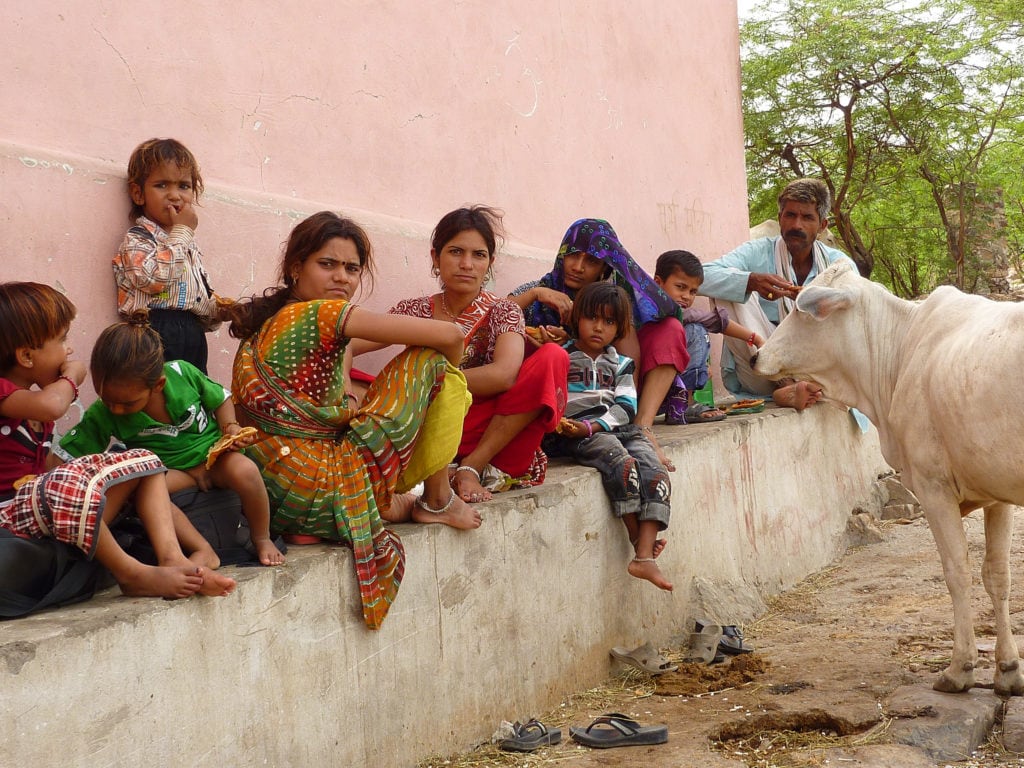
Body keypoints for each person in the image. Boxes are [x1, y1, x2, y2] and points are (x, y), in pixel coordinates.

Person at [220, 211, 475, 630]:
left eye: (351, 268)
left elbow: (372, 337)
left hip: (277, 498)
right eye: (328, 264)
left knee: (365, 388)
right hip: (318, 485)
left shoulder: (274, 320)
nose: (341, 277)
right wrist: (448, 383)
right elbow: (450, 337)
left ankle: (378, 507)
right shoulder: (321, 316)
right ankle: (437, 499)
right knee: (430, 363)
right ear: (295, 268)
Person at [0, 282, 235, 601]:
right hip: (10, 517)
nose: (69, 350)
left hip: (45, 511)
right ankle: (133, 574)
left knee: (144, 462)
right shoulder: (8, 393)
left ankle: (174, 559)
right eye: (61, 339)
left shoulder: (29, 401)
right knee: (66, 484)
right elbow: (52, 407)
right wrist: (71, 377)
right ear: (27, 356)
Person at [55, 313, 285, 566]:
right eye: (107, 400)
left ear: (158, 385)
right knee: (146, 492)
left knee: (247, 471)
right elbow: (69, 454)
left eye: (127, 403)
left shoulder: (183, 374)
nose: (116, 409)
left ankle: (262, 538)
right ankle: (201, 549)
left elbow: (220, 398)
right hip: (170, 471)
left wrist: (229, 427)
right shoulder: (104, 412)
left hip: (214, 459)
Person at [375, 206, 570, 505]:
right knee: (364, 383)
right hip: (428, 430)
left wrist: (428, 380)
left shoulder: (503, 310)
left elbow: (503, 375)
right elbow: (355, 339)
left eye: (478, 255)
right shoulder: (415, 311)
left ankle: (471, 467)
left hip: (495, 435)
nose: (466, 264)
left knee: (553, 357)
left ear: (490, 263)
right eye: (455, 252)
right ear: (435, 257)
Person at [509, 218, 684, 469]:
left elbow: (628, 366)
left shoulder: (615, 298)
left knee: (670, 329)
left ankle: (641, 427)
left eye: (591, 261)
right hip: (554, 397)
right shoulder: (540, 287)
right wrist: (536, 296)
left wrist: (618, 416)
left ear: (605, 267)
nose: (578, 267)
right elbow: (495, 314)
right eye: (572, 255)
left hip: (612, 390)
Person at [543, 283, 672, 591]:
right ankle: (638, 541)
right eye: (592, 317)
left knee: (655, 471)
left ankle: (644, 555)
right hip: (575, 432)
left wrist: (595, 426)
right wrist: (583, 428)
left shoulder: (622, 364)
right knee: (622, 464)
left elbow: (627, 406)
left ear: (620, 328)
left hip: (613, 427)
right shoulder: (561, 356)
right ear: (577, 319)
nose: (599, 327)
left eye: (609, 321)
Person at [699, 178, 856, 409]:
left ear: (823, 225)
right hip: (763, 369)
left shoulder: (837, 265)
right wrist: (752, 281)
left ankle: (797, 387)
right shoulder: (758, 251)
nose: (797, 225)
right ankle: (786, 385)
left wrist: (814, 300)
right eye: (790, 215)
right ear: (780, 218)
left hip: (817, 370)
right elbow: (702, 276)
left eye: (807, 218)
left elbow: (858, 303)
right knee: (730, 289)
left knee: (845, 303)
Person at [113, 138, 219, 374]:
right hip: (154, 330)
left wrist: (220, 311)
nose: (175, 196)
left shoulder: (187, 242)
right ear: (138, 193)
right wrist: (182, 232)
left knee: (191, 398)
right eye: (162, 185)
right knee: (160, 399)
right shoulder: (138, 238)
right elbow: (153, 279)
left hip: (191, 334)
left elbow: (196, 293)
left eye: (184, 186)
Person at [653, 250, 765, 423]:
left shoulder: (685, 314)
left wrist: (755, 339)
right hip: (643, 391)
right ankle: (686, 404)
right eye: (680, 287)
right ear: (658, 283)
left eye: (692, 292)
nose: (686, 297)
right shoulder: (641, 311)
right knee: (695, 331)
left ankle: (683, 403)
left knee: (696, 327)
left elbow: (720, 322)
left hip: (668, 394)